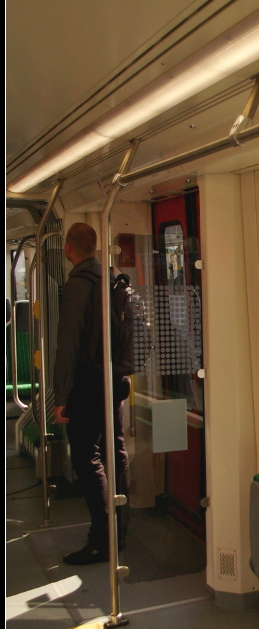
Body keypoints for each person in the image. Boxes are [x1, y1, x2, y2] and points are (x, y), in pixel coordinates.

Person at [53, 222, 130, 564]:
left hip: (88, 382)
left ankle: (102, 539)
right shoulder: (110, 278)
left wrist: (61, 396)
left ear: (69, 247)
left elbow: (68, 345)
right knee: (116, 450)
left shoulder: (78, 286)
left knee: (87, 457)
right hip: (114, 378)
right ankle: (119, 532)